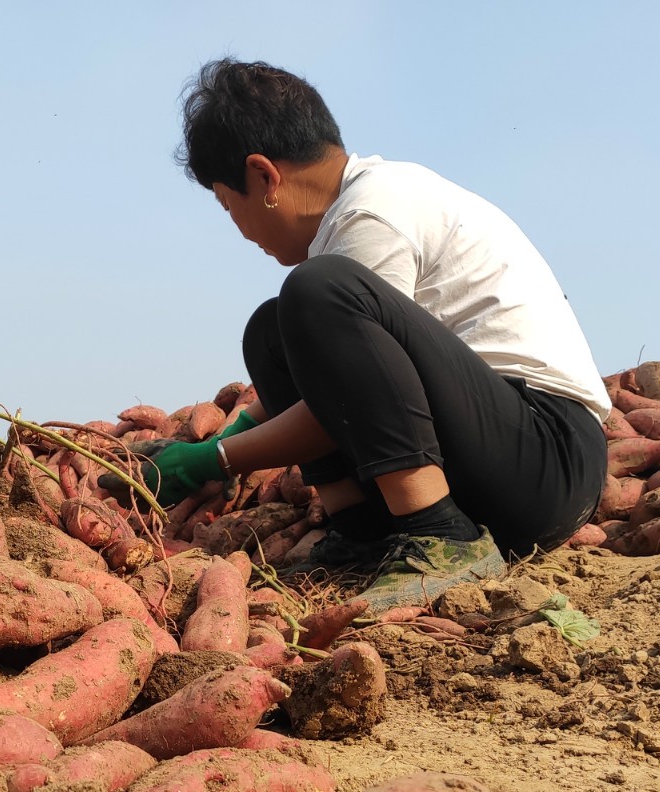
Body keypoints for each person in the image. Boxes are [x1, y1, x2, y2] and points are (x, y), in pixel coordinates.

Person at [143, 58, 610, 610]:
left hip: (546, 459)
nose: (239, 230)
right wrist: (227, 433)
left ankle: (440, 535)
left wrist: (216, 460)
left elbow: (349, 396)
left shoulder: (372, 214)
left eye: (229, 204)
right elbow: (357, 377)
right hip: (493, 450)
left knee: (315, 291)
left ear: (265, 176)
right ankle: (362, 534)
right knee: (271, 332)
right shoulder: (358, 211)